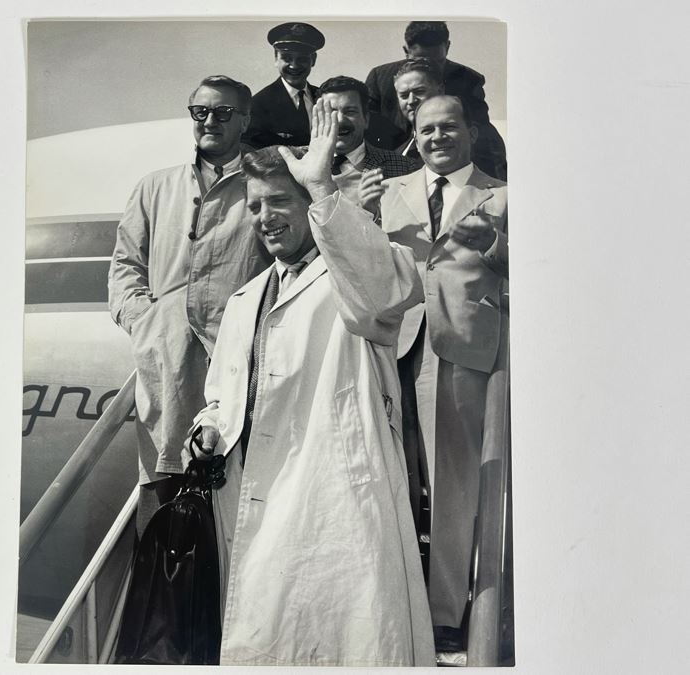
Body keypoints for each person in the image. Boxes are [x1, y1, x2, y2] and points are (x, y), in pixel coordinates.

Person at [187, 99, 434, 666]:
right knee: (271, 638)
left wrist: (324, 189)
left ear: (312, 206)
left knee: (348, 638)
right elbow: (220, 395)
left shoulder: (354, 274)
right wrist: (206, 428)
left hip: (335, 496)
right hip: (258, 493)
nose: (265, 217)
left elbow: (389, 291)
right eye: (255, 206)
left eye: (279, 201)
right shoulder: (245, 298)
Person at [108, 75, 271, 536]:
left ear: (245, 120)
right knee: (162, 496)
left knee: (237, 502)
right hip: (168, 366)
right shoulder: (154, 187)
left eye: (223, 113)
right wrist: (147, 322)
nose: (210, 121)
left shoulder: (262, 187)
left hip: (241, 366)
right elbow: (125, 267)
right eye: (201, 112)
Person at [378, 95, 508, 650]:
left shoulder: (503, 195)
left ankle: (445, 616)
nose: (437, 137)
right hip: (389, 348)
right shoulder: (386, 194)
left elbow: (542, 267)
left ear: (471, 132)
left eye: (448, 127)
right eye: (426, 129)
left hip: (461, 350)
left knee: (455, 487)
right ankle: (392, 606)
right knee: (390, 480)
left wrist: (498, 247)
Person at [365, 21, 507, 180]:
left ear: (447, 47)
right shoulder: (380, 77)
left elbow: (482, 135)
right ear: (406, 51)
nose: (430, 69)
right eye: (420, 61)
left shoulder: (468, 79)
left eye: (438, 62)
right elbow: (369, 132)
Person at [315, 75, 418, 218]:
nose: (340, 120)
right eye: (331, 112)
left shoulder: (404, 168)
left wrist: (370, 213)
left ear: (366, 119)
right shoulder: (299, 165)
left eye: (350, 111)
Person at [242, 22, 325, 149]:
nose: (294, 65)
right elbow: (251, 152)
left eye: (302, 59)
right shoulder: (259, 104)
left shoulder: (323, 98)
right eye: (286, 58)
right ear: (276, 59)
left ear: (313, 60)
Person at [391, 58, 444, 160]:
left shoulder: (462, 141)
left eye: (419, 91)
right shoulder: (397, 155)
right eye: (404, 95)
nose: (411, 101)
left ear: (440, 91)